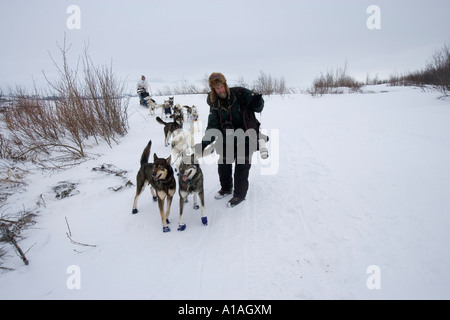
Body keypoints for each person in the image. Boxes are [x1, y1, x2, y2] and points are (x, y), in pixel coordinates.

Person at [196, 72, 265, 208]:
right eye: (217, 88)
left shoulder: (240, 93)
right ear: (213, 89)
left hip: (246, 137)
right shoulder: (215, 103)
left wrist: (258, 102)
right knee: (223, 164)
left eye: (221, 86)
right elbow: (213, 125)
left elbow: (258, 107)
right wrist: (204, 143)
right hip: (227, 138)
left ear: (225, 84)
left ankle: (239, 194)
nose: (220, 90)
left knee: (242, 166)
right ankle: (226, 188)